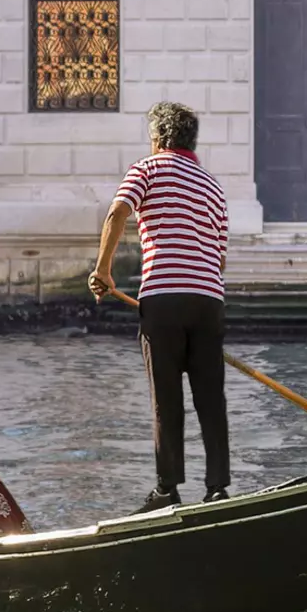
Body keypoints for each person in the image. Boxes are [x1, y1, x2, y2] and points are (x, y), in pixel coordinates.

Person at [89, 101, 231, 513]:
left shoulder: (147, 169)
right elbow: (219, 259)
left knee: (166, 400)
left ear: (159, 138)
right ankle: (217, 489)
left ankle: (168, 490)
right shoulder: (213, 186)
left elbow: (117, 212)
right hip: (208, 301)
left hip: (164, 299)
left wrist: (103, 270)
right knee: (211, 400)